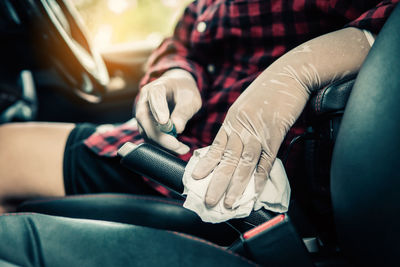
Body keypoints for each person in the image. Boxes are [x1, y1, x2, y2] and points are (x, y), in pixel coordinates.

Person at [0, 0, 398, 214]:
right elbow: (184, 40)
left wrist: (297, 72)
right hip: (173, 150)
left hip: (242, 179)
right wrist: (175, 75)